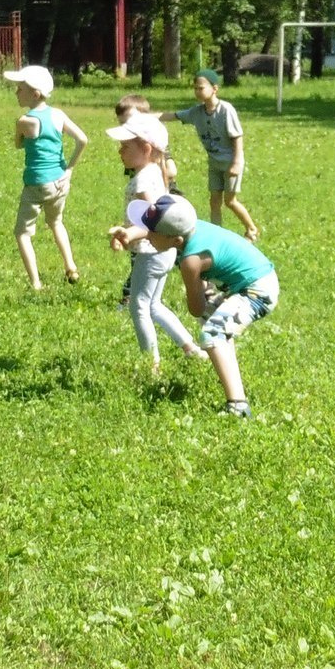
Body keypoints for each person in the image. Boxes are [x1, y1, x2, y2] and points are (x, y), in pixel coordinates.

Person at [134, 194, 276, 418]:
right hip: (257, 280)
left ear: (176, 241)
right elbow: (161, 236)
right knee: (214, 322)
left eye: (152, 232)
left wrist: (200, 291)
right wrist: (129, 233)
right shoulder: (191, 227)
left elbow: (196, 309)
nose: (148, 236)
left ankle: (238, 406)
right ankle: (230, 377)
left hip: (258, 291)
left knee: (212, 332)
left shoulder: (191, 262)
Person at [101, 104, 204, 372]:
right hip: (164, 251)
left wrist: (127, 234)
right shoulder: (155, 171)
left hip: (151, 251)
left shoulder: (143, 181)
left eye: (125, 146)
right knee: (154, 304)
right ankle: (190, 348)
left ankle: (152, 366)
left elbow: (150, 220)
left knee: (138, 306)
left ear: (146, 149)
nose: (120, 151)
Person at [3, 64, 87, 290]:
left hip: (36, 184)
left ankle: (36, 283)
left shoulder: (25, 121)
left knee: (22, 233)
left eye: (20, 89)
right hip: (60, 182)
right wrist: (69, 170)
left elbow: (18, 144)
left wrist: (20, 133)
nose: (16, 92)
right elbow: (82, 140)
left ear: (35, 94)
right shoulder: (58, 114)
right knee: (56, 222)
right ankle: (71, 267)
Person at [174, 70, 261, 240]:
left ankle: (252, 229)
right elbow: (173, 115)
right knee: (214, 201)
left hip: (230, 162)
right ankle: (216, 234)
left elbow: (237, 137)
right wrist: (144, 116)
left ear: (215, 89)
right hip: (214, 163)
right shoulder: (197, 112)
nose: (197, 91)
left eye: (201, 88)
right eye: (195, 88)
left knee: (230, 201)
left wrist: (236, 162)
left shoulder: (226, 110)